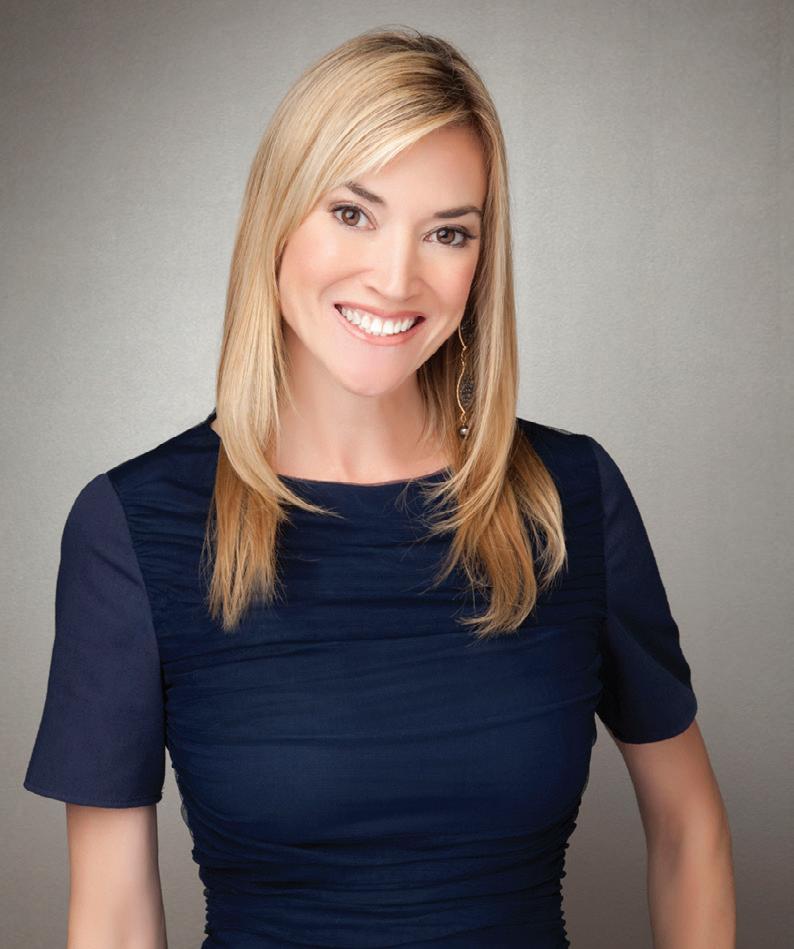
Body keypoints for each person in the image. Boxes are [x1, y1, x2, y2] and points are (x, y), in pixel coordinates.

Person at [22, 26, 736, 949]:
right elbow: (114, 918)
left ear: (480, 264)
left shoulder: (569, 499)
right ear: (278, 216)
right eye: (353, 213)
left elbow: (688, 828)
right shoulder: (135, 525)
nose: (397, 278)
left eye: (448, 233)